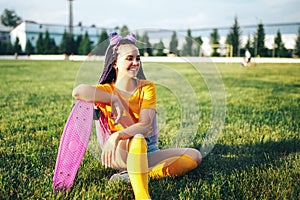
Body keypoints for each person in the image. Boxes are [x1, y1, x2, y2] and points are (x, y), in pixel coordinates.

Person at [72, 32, 202, 200]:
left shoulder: (146, 87)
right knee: (138, 138)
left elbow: (145, 123)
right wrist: (113, 99)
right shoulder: (106, 90)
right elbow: (78, 91)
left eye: (138, 58)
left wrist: (118, 134)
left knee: (194, 156)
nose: (135, 63)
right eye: (129, 58)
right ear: (114, 63)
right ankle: (142, 196)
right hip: (120, 151)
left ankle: (132, 175)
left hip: (147, 149)